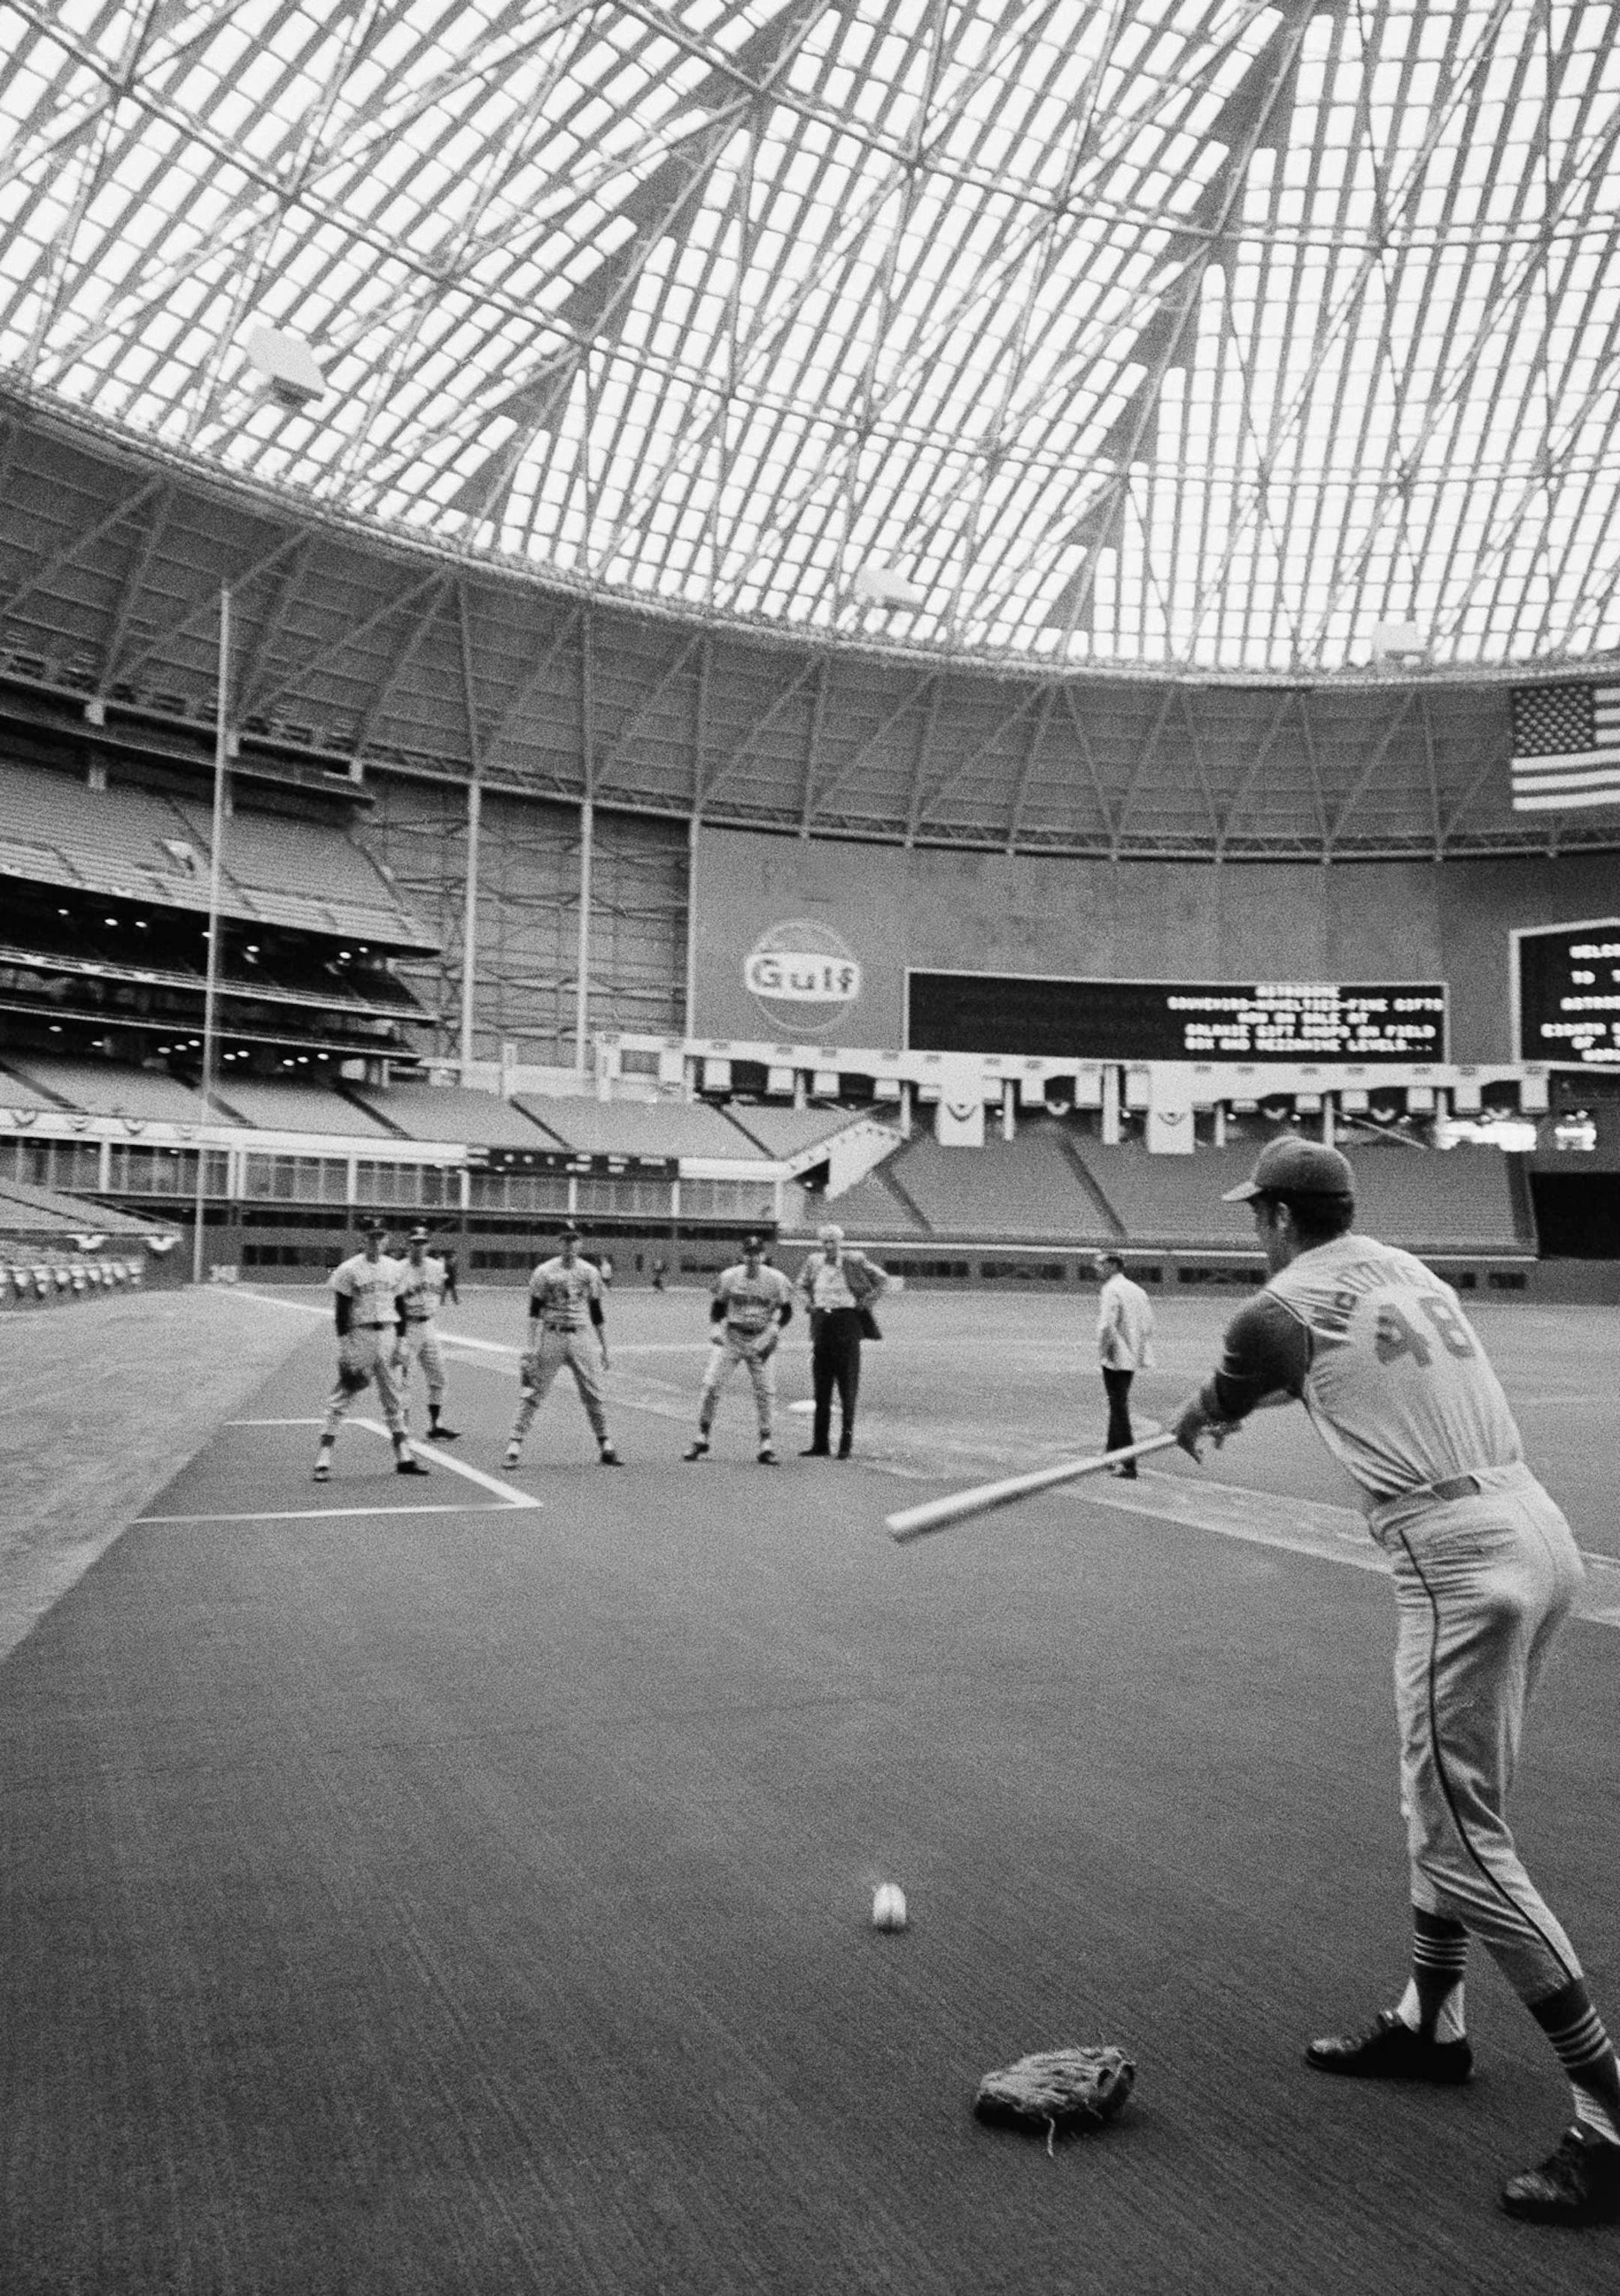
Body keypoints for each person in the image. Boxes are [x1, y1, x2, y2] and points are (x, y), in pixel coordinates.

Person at [1172, 1137, 1620, 2226]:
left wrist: (1201, 1414)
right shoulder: (1403, 1268)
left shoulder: (1273, 1306)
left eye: (1256, 1215)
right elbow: (1327, 1375)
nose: (1254, 1230)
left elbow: (1240, 1380)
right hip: (1538, 1533)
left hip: (1453, 1558)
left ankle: (1612, 2119)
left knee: (1461, 1841)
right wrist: (1242, 1399)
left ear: (1278, 1218)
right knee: (1446, 1810)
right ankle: (1432, 2017)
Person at [312, 1219, 429, 1482]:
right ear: (362, 1240)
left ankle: (403, 1456)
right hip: (361, 1335)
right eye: (371, 1237)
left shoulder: (394, 1269)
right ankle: (324, 1456)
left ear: (386, 1240)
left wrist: (401, 1341)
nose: (375, 1242)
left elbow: (399, 1304)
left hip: (388, 1334)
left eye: (380, 1237)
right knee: (345, 1394)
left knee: (394, 1396)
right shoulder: (348, 1269)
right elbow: (341, 1312)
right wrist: (345, 1347)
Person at [503, 1223, 621, 1468]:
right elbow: (534, 1312)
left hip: (580, 1336)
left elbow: (596, 1312)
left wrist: (605, 1348)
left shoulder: (589, 1272)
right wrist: (531, 1346)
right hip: (552, 1334)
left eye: (574, 1240)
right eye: (566, 1240)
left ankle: (605, 1443)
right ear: (560, 1243)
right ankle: (515, 1442)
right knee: (534, 1390)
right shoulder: (544, 1271)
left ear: (580, 1243)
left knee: (593, 1392)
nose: (570, 1245)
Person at [684, 1236, 794, 1464]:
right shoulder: (730, 1277)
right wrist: (715, 1327)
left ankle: (766, 1443)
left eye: (757, 1254)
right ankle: (702, 1436)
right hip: (732, 1336)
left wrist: (773, 1330)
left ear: (763, 1256)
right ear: (743, 1255)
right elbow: (717, 1306)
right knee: (712, 1385)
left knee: (765, 1392)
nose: (753, 1258)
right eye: (749, 1253)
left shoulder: (776, 1279)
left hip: (760, 1338)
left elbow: (787, 1311)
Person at [794, 1222, 887, 1459]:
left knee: (847, 1386)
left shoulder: (854, 1260)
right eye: (825, 1242)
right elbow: (801, 1285)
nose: (829, 1246)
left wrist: (866, 1302)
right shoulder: (814, 1262)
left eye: (832, 1241)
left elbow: (882, 1279)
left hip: (847, 1322)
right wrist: (808, 1303)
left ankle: (845, 1445)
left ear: (840, 1242)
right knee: (822, 1386)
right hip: (823, 1323)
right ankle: (820, 1444)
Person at [392, 1224, 460, 1442]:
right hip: (407, 1328)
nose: (419, 1247)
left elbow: (440, 1290)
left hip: (429, 1326)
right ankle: (403, 1427)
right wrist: (398, 1336)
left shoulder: (436, 1267)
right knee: (404, 1381)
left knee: (439, 1376)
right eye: (415, 1243)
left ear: (428, 1245)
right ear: (408, 1245)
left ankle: (436, 1425)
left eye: (422, 1243)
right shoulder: (397, 1269)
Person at [1093, 1251, 1156, 1476]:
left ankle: (1129, 1463)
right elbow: (1148, 1324)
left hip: (1115, 1356)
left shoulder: (1111, 1290)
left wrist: (1103, 1351)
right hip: (1132, 1356)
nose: (1097, 1269)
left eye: (1100, 1265)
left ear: (1112, 1266)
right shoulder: (1138, 1290)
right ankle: (1111, 1455)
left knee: (1119, 1408)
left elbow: (1107, 1325)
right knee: (1118, 1404)